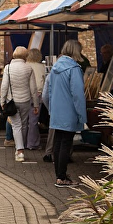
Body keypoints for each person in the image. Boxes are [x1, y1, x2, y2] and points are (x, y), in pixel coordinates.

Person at [43, 39, 87, 188]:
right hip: (69, 112)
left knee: (58, 142)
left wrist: (51, 109)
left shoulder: (55, 68)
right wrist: (82, 116)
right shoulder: (74, 69)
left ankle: (59, 176)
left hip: (57, 112)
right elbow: (78, 95)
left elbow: (47, 93)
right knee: (66, 144)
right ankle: (62, 177)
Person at [0, 47, 39, 162]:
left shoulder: (8, 68)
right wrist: (36, 104)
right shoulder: (29, 68)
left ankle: (20, 150)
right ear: (25, 56)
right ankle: (21, 148)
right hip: (25, 101)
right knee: (24, 124)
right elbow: (33, 88)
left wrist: (2, 101)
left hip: (12, 101)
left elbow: (4, 86)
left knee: (16, 125)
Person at [26, 48, 46, 150]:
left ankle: (22, 143)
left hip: (25, 94)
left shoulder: (25, 66)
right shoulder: (42, 67)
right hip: (37, 95)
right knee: (33, 121)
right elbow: (45, 82)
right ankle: (32, 143)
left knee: (23, 121)